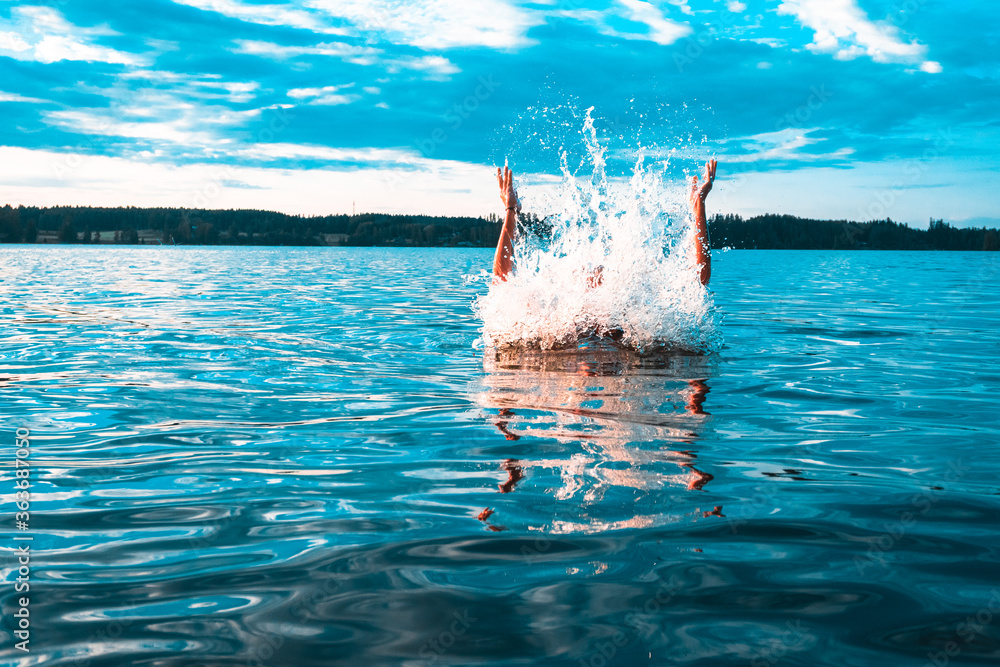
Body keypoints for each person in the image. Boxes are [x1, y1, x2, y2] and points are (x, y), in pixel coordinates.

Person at [491, 160, 718, 286]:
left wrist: (698, 206)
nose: (594, 279)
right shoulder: (561, 317)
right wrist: (510, 212)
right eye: (591, 278)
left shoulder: (625, 316)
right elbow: (502, 283)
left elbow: (697, 281)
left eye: (598, 278)